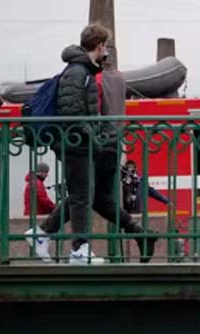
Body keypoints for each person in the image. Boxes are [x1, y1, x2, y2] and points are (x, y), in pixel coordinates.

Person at [26, 24, 157, 264]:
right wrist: (94, 138)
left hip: (85, 144)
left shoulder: (85, 71)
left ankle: (47, 235)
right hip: (81, 144)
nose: (105, 51)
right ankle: (76, 247)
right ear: (100, 46)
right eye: (104, 46)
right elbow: (74, 113)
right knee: (83, 196)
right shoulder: (80, 73)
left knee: (85, 195)